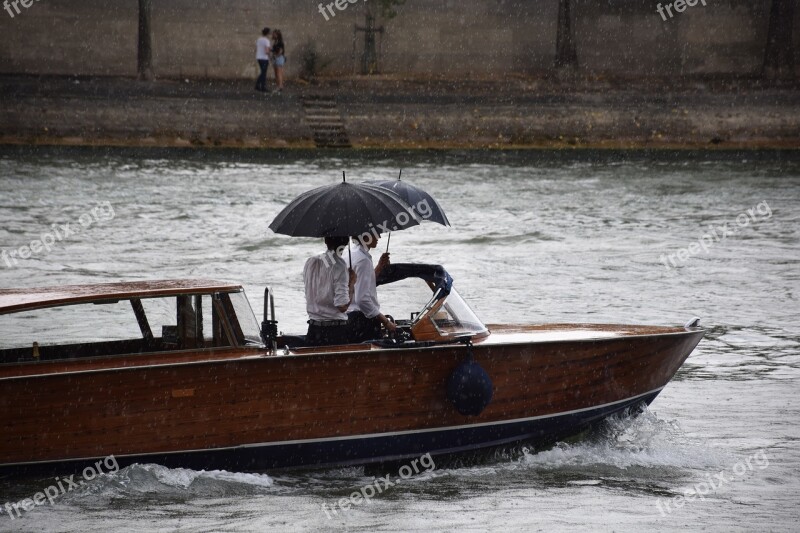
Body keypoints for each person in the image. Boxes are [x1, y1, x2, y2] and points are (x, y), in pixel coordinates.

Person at [303, 236, 357, 346]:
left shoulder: (311, 262)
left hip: (313, 329)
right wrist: (351, 283)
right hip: (334, 332)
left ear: (326, 241)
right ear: (346, 243)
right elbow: (342, 306)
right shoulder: (340, 265)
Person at [346, 233, 397, 343]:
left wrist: (379, 268)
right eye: (376, 233)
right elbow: (362, 300)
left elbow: (358, 285)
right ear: (365, 236)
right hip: (363, 322)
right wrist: (386, 322)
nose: (379, 237)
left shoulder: (351, 254)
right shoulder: (363, 260)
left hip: (349, 318)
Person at [255, 27, 271, 93]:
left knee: (262, 72)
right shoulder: (267, 41)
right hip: (264, 58)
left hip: (259, 57)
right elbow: (267, 51)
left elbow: (256, 48)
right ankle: (262, 86)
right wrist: (270, 53)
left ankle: (258, 85)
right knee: (264, 73)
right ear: (268, 33)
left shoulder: (259, 39)